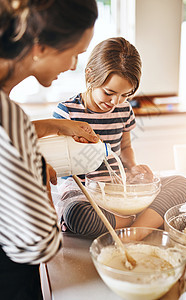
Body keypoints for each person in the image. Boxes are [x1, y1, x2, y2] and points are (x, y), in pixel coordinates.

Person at [0, 0, 98, 299]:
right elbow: (38, 243)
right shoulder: (8, 116)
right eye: (74, 54)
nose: (72, 66)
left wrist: (50, 127)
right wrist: (38, 175)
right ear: (40, 46)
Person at [53, 37, 186, 237]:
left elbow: (125, 148)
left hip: (119, 185)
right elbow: (61, 163)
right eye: (109, 92)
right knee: (76, 214)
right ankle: (141, 220)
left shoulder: (124, 110)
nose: (115, 102)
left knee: (180, 183)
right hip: (83, 189)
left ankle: (130, 231)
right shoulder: (67, 112)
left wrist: (133, 167)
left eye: (125, 95)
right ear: (90, 75)